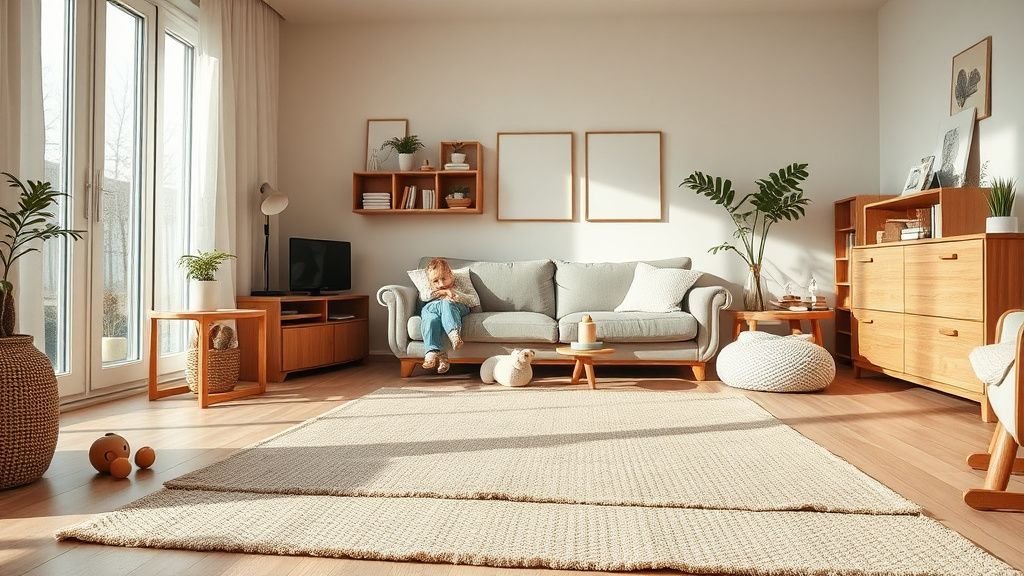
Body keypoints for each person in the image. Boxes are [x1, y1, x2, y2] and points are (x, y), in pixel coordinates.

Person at [420, 258, 478, 374]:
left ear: (451, 275)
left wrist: (455, 295)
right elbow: (423, 297)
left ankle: (453, 334)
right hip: (433, 309)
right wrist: (443, 292)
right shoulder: (431, 288)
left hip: (454, 307)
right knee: (431, 319)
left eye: (444, 279)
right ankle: (433, 352)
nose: (440, 284)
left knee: (446, 303)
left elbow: (474, 300)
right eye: (435, 281)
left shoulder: (460, 282)